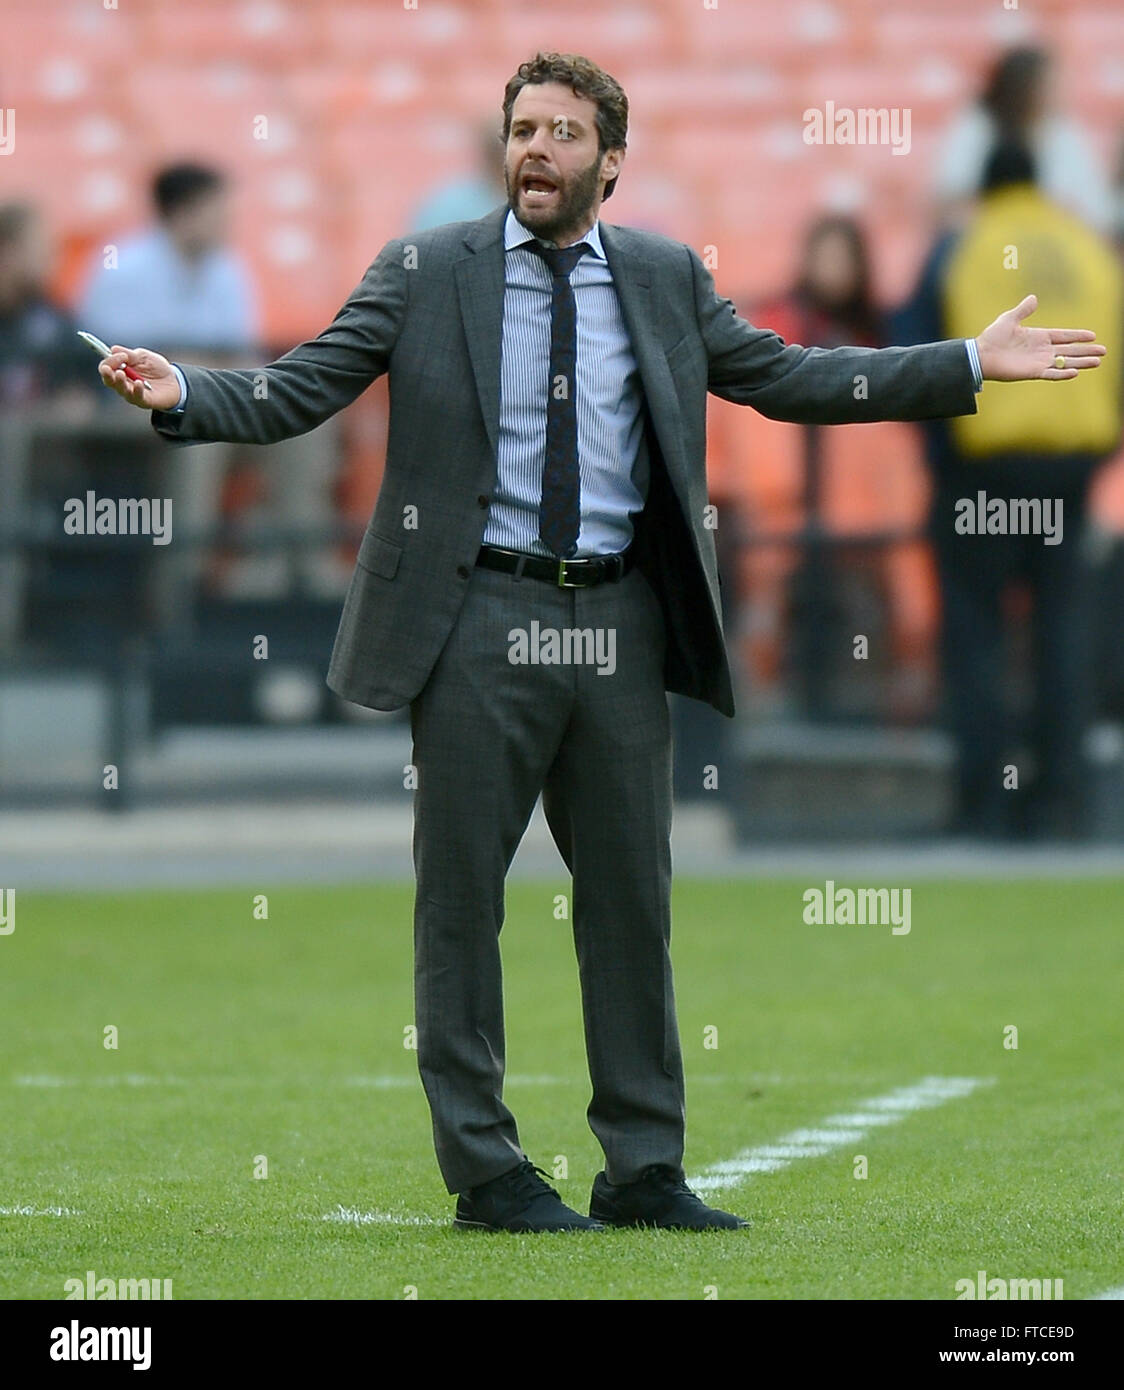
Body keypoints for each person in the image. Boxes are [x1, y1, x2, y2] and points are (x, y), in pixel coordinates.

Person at [97, 53, 1106, 1232]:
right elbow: (301, 387)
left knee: (631, 897)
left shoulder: (668, 276)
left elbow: (789, 377)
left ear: (609, 161)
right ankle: (485, 1170)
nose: (535, 148)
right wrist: (184, 396)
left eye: (563, 133)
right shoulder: (426, 270)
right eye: (522, 128)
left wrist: (969, 361)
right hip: (476, 616)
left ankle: (642, 1168)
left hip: (622, 619)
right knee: (461, 902)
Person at [895, 139, 1122, 840]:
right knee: (1063, 631)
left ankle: (984, 804)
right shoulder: (1089, 249)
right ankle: (1063, 802)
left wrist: (940, 458)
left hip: (981, 470)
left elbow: (914, 352)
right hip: (1070, 468)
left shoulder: (961, 246)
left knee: (976, 634)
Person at [934, 45, 1112, 234]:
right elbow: (949, 204)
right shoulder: (977, 127)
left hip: (1050, 246)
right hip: (988, 242)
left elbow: (1094, 212)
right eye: (1046, 86)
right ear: (1020, 88)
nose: (1054, 94)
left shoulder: (1064, 134)